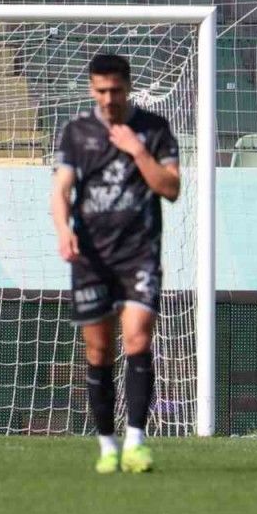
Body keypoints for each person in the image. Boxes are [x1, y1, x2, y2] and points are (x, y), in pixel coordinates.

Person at [50, 53, 180, 474]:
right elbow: (61, 190)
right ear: (92, 89)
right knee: (99, 350)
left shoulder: (154, 130)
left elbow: (171, 188)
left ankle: (136, 442)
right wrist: (63, 230)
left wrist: (137, 151)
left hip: (139, 254)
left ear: (128, 88)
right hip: (92, 259)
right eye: (101, 91)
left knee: (138, 339)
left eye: (116, 90)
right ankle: (107, 444)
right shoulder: (77, 132)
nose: (109, 99)